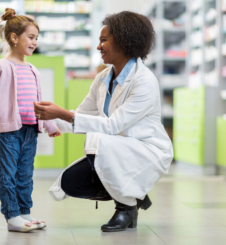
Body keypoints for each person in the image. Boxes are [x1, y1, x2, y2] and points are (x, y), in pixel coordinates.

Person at [35, 11, 173, 232]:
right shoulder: (102, 78)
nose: (98, 47)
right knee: (71, 182)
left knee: (99, 140)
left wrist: (61, 114)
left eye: (103, 40)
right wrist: (44, 123)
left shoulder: (144, 81)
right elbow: (82, 114)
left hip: (147, 150)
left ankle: (126, 208)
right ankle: (133, 195)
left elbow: (112, 126)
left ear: (123, 40)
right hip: (116, 149)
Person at [0, 8, 61, 233]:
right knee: (8, 173)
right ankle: (12, 216)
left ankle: (24, 212)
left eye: (37, 38)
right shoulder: (1, 67)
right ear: (14, 38)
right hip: (9, 130)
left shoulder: (33, 70)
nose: (35, 42)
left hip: (31, 130)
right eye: (31, 37)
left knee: (25, 173)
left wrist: (49, 124)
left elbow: (38, 101)